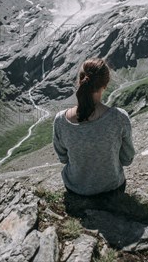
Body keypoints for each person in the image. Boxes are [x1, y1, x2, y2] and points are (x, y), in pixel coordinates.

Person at [52, 57, 135, 197]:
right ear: (105, 84)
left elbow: (63, 158)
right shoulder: (119, 117)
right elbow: (127, 159)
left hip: (76, 189)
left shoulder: (60, 120)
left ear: (80, 81)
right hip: (113, 187)